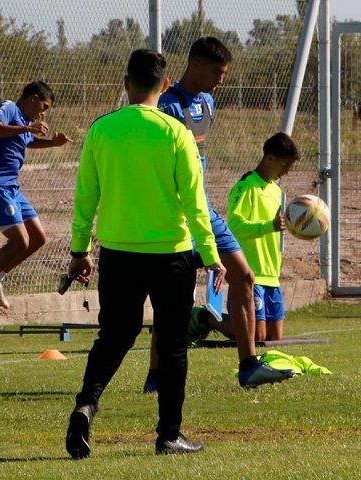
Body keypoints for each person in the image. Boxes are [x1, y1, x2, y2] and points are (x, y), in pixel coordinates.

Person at [65, 49, 226, 459]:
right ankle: (169, 435)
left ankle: (87, 403)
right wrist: (210, 254)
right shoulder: (176, 133)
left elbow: (86, 196)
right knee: (172, 345)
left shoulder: (101, 130)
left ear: (125, 83)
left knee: (115, 335)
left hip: (118, 252)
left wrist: (80, 250)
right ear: (165, 85)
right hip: (171, 254)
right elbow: (195, 200)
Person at [143, 37, 294, 392]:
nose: (220, 80)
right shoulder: (165, 105)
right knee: (172, 299)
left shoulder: (208, 103)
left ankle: (248, 366)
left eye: (224, 73)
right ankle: (155, 376)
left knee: (244, 276)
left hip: (205, 209)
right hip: (177, 213)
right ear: (194, 65)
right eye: (216, 72)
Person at [0, 81, 72, 318]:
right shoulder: (9, 108)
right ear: (33, 98)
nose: (43, 113)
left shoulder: (25, 123)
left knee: (38, 239)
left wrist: (53, 143)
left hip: (12, 189)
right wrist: (27, 128)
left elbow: (28, 142)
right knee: (20, 241)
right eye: (43, 106)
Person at [226, 133, 300, 341]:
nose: (287, 171)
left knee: (274, 339)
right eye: (285, 165)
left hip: (271, 274)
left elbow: (274, 228)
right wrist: (270, 226)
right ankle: (205, 318)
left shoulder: (276, 191)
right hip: (251, 272)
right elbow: (234, 226)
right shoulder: (246, 186)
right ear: (269, 158)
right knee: (257, 336)